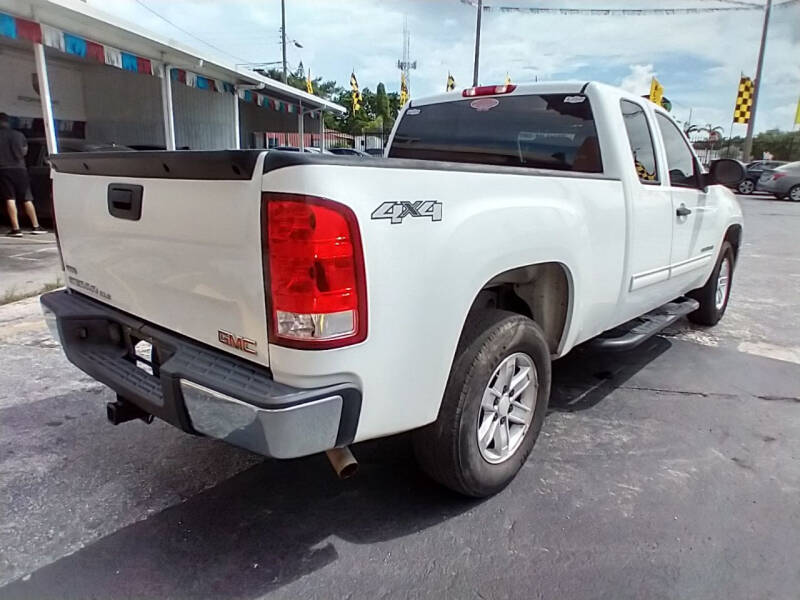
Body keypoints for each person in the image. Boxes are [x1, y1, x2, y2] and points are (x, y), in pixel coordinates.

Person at [0, 112, 46, 237]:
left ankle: (16, 229)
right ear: (8, 122)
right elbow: (24, 151)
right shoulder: (19, 135)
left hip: (4, 170)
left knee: (10, 198)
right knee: (27, 198)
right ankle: (36, 226)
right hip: (20, 169)